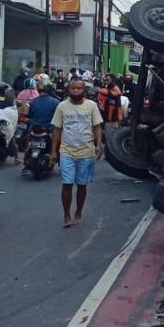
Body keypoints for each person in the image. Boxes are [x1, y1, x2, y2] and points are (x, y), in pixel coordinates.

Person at [52, 79, 104, 228]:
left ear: (84, 90)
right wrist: (53, 152)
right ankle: (67, 215)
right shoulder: (62, 106)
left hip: (86, 152)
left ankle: (78, 213)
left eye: (78, 88)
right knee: (67, 184)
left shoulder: (91, 106)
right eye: (73, 88)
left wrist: (98, 145)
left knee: (82, 185)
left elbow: (97, 126)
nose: (75, 90)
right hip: (67, 151)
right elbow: (57, 130)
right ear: (68, 90)